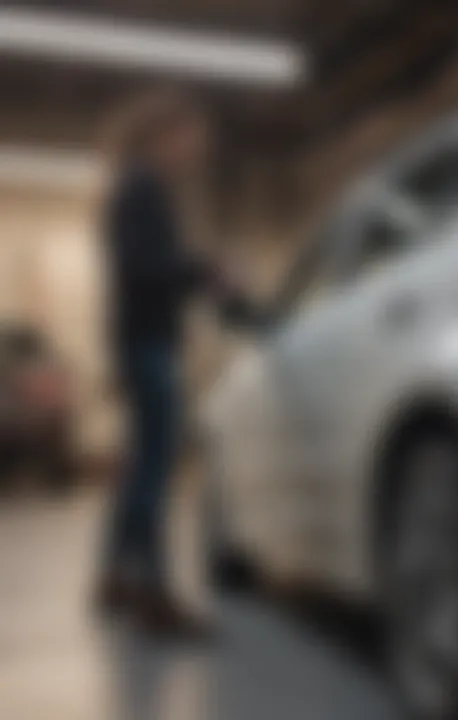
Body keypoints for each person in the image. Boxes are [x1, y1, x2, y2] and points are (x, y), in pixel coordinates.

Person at [95, 88, 219, 639]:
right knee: (154, 468)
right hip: (149, 343)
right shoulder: (142, 189)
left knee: (140, 466)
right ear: (162, 135)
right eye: (190, 137)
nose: (196, 149)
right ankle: (152, 593)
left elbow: (135, 273)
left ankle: (115, 580)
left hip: (138, 339)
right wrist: (204, 269)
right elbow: (147, 270)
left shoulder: (131, 189)